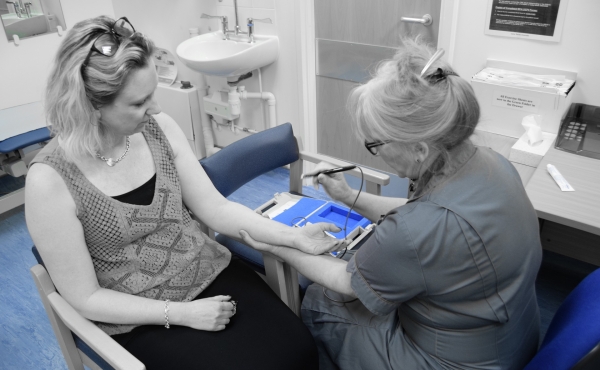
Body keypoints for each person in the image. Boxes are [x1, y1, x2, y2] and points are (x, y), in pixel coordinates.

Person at [25, 15, 343, 370]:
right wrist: (182, 314)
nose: (156, 109)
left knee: (298, 350)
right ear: (90, 105)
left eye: (153, 95)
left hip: (206, 271)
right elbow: (84, 297)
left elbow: (216, 210)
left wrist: (293, 236)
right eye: (138, 103)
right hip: (135, 313)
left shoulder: (158, 130)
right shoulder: (50, 181)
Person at [240, 39, 543, 369]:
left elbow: (348, 282)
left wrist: (281, 244)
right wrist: (345, 195)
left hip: (459, 362)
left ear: (420, 150)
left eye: (375, 144)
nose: (376, 153)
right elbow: (424, 213)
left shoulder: (416, 230)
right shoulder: (491, 162)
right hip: (513, 335)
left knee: (319, 299)